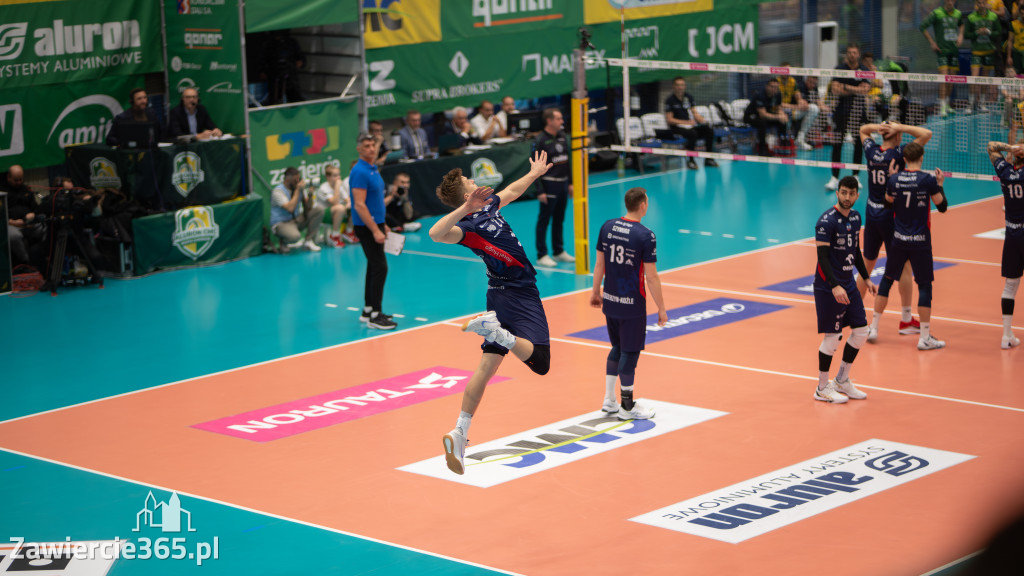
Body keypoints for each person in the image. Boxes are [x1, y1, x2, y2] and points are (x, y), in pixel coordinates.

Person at [429, 150, 555, 475]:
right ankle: (496, 331)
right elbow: (435, 234)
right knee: (540, 363)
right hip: (518, 294)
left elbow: (512, 191)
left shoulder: (490, 205)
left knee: (486, 368)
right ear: (467, 194)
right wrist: (464, 209)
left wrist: (535, 174)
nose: (475, 182)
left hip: (499, 294)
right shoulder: (466, 225)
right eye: (471, 182)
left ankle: (459, 432)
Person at [589, 187, 668, 419]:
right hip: (632, 303)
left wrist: (596, 292)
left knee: (617, 348)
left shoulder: (607, 226)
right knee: (630, 353)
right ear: (643, 205)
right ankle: (627, 406)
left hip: (611, 300)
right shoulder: (646, 235)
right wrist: (662, 308)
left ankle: (609, 400)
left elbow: (599, 265)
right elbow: (651, 277)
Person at [869, 142, 949, 350]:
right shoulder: (928, 180)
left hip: (899, 239)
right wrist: (939, 184)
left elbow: (887, 204)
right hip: (920, 241)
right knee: (924, 285)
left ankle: (874, 327)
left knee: (887, 280)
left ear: (904, 159)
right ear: (922, 157)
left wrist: (891, 179)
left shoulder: (894, 179)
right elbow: (942, 207)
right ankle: (924, 337)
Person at [858, 121, 933, 341]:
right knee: (904, 268)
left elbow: (863, 129)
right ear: (898, 137)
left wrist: (879, 126)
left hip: (871, 213)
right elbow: (926, 133)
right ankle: (906, 319)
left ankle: (853, 315)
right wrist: (900, 126)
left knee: (866, 264)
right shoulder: (899, 155)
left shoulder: (872, 151)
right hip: (891, 216)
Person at [813, 175, 876, 403]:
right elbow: (822, 258)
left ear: (857, 195)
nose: (847, 197)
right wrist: (834, 285)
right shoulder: (826, 221)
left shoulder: (856, 217)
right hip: (828, 287)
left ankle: (842, 380)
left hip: (848, 284)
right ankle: (822, 387)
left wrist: (866, 279)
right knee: (833, 337)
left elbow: (855, 250)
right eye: (843, 193)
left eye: (851, 194)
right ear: (837, 193)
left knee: (861, 332)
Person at [350, 133, 396, 330]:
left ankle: (368, 310)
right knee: (380, 267)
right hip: (366, 227)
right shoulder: (359, 171)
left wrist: (382, 224)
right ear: (359, 148)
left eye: (373, 145)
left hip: (375, 224)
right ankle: (375, 316)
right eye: (366, 145)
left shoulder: (372, 169)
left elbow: (374, 202)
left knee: (373, 266)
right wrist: (375, 230)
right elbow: (360, 205)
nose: (371, 148)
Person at [986, 141, 1024, 348]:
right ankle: (1008, 336)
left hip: (1012, 234)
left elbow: (991, 147)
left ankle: (1006, 335)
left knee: (1010, 285)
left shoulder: (1006, 172)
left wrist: (1010, 148)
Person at [826, 44, 871, 191]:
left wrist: (846, 87)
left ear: (858, 55)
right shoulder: (839, 69)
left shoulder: (864, 70)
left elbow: (865, 90)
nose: (852, 55)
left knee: (858, 144)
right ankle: (834, 178)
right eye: (850, 52)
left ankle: (856, 177)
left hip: (859, 112)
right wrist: (855, 89)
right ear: (846, 54)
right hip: (841, 112)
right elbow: (835, 89)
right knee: (837, 144)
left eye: (855, 52)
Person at [533, 107, 574, 267]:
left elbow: (567, 161)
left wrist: (570, 183)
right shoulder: (541, 140)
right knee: (544, 220)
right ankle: (541, 255)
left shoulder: (563, 136)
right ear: (549, 121)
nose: (562, 121)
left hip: (563, 184)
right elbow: (534, 167)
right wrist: (540, 190)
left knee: (559, 218)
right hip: (548, 185)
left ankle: (558, 251)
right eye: (558, 119)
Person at [921, 0, 966, 117]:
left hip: (954, 51)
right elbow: (922, 27)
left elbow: (961, 24)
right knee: (944, 79)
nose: (950, 2)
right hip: (942, 52)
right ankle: (941, 107)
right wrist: (932, 42)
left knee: (951, 80)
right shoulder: (937, 13)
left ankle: (946, 104)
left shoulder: (958, 13)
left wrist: (961, 35)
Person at [664, 77, 719, 169]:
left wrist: (703, 121)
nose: (680, 87)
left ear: (685, 86)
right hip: (676, 128)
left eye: (681, 85)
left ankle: (709, 159)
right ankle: (691, 161)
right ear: (673, 87)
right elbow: (670, 120)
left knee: (709, 130)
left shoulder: (689, 97)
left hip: (689, 126)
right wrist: (686, 122)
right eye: (677, 85)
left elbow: (695, 113)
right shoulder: (670, 100)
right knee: (692, 134)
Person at [270, 167, 324, 253]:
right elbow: (290, 208)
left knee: (318, 210)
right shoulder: (278, 191)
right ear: (288, 179)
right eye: (296, 179)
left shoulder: (297, 188)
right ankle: (283, 241)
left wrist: (310, 194)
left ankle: (308, 241)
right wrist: (298, 190)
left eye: (299, 178)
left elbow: (308, 208)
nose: (298, 181)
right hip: (281, 224)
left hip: (295, 220)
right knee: (295, 236)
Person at [2, 165, 46, 267]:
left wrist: (33, 216)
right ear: (9, 177)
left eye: (20, 179)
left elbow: (36, 208)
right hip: (12, 224)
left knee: (47, 228)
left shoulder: (26, 190)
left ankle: (42, 257)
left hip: (29, 224)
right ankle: (26, 262)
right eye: (15, 180)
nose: (18, 182)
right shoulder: (2, 192)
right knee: (13, 236)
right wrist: (11, 222)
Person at [965, 0, 1002, 112]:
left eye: (983, 3)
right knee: (974, 78)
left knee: (985, 79)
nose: (981, 5)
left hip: (988, 51)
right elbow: (967, 34)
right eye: (979, 3)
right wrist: (977, 33)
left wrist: (988, 32)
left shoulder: (993, 16)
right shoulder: (971, 17)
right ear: (977, 4)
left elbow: (998, 32)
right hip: (976, 51)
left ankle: (981, 104)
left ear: (986, 4)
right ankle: (971, 104)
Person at [777, 65, 820, 150]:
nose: (787, 72)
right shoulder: (776, 83)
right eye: (785, 70)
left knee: (814, 108)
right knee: (787, 115)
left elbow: (798, 96)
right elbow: (778, 104)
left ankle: (800, 139)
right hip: (779, 110)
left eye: (788, 70)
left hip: (792, 110)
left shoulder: (792, 81)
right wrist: (796, 106)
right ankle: (786, 141)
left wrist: (802, 102)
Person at [744, 77, 788, 156]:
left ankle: (782, 144)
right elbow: (763, 114)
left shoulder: (778, 94)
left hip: (765, 114)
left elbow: (779, 108)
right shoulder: (760, 95)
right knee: (762, 123)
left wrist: (782, 115)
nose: (774, 89)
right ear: (767, 87)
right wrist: (778, 117)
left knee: (782, 121)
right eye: (772, 87)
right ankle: (762, 149)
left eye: (776, 87)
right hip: (751, 116)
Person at [262, 29, 305, 105]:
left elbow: (301, 59)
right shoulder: (269, 44)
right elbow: (263, 60)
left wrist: (300, 62)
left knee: (295, 99)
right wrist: (263, 71)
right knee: (275, 100)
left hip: (290, 77)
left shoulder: (291, 43)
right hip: (275, 77)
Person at [315, 164, 351, 247]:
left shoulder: (340, 187)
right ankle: (334, 236)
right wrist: (337, 187)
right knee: (340, 208)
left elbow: (347, 200)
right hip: (323, 215)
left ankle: (349, 232)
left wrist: (349, 203)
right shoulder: (323, 188)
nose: (338, 177)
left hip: (338, 212)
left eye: (339, 175)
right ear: (328, 177)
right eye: (335, 176)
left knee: (353, 206)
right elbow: (335, 203)